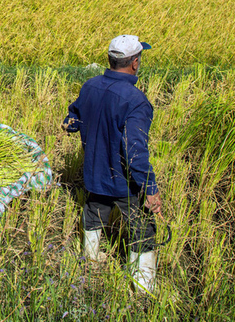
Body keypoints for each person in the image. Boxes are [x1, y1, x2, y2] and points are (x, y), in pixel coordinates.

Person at [62, 35, 162, 294]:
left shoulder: (90, 86)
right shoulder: (135, 100)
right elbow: (135, 149)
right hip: (123, 182)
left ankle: (90, 265)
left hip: (94, 174)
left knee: (94, 213)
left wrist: (72, 124)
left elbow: (72, 119)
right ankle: (142, 288)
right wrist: (149, 187)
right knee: (142, 228)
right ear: (135, 63)